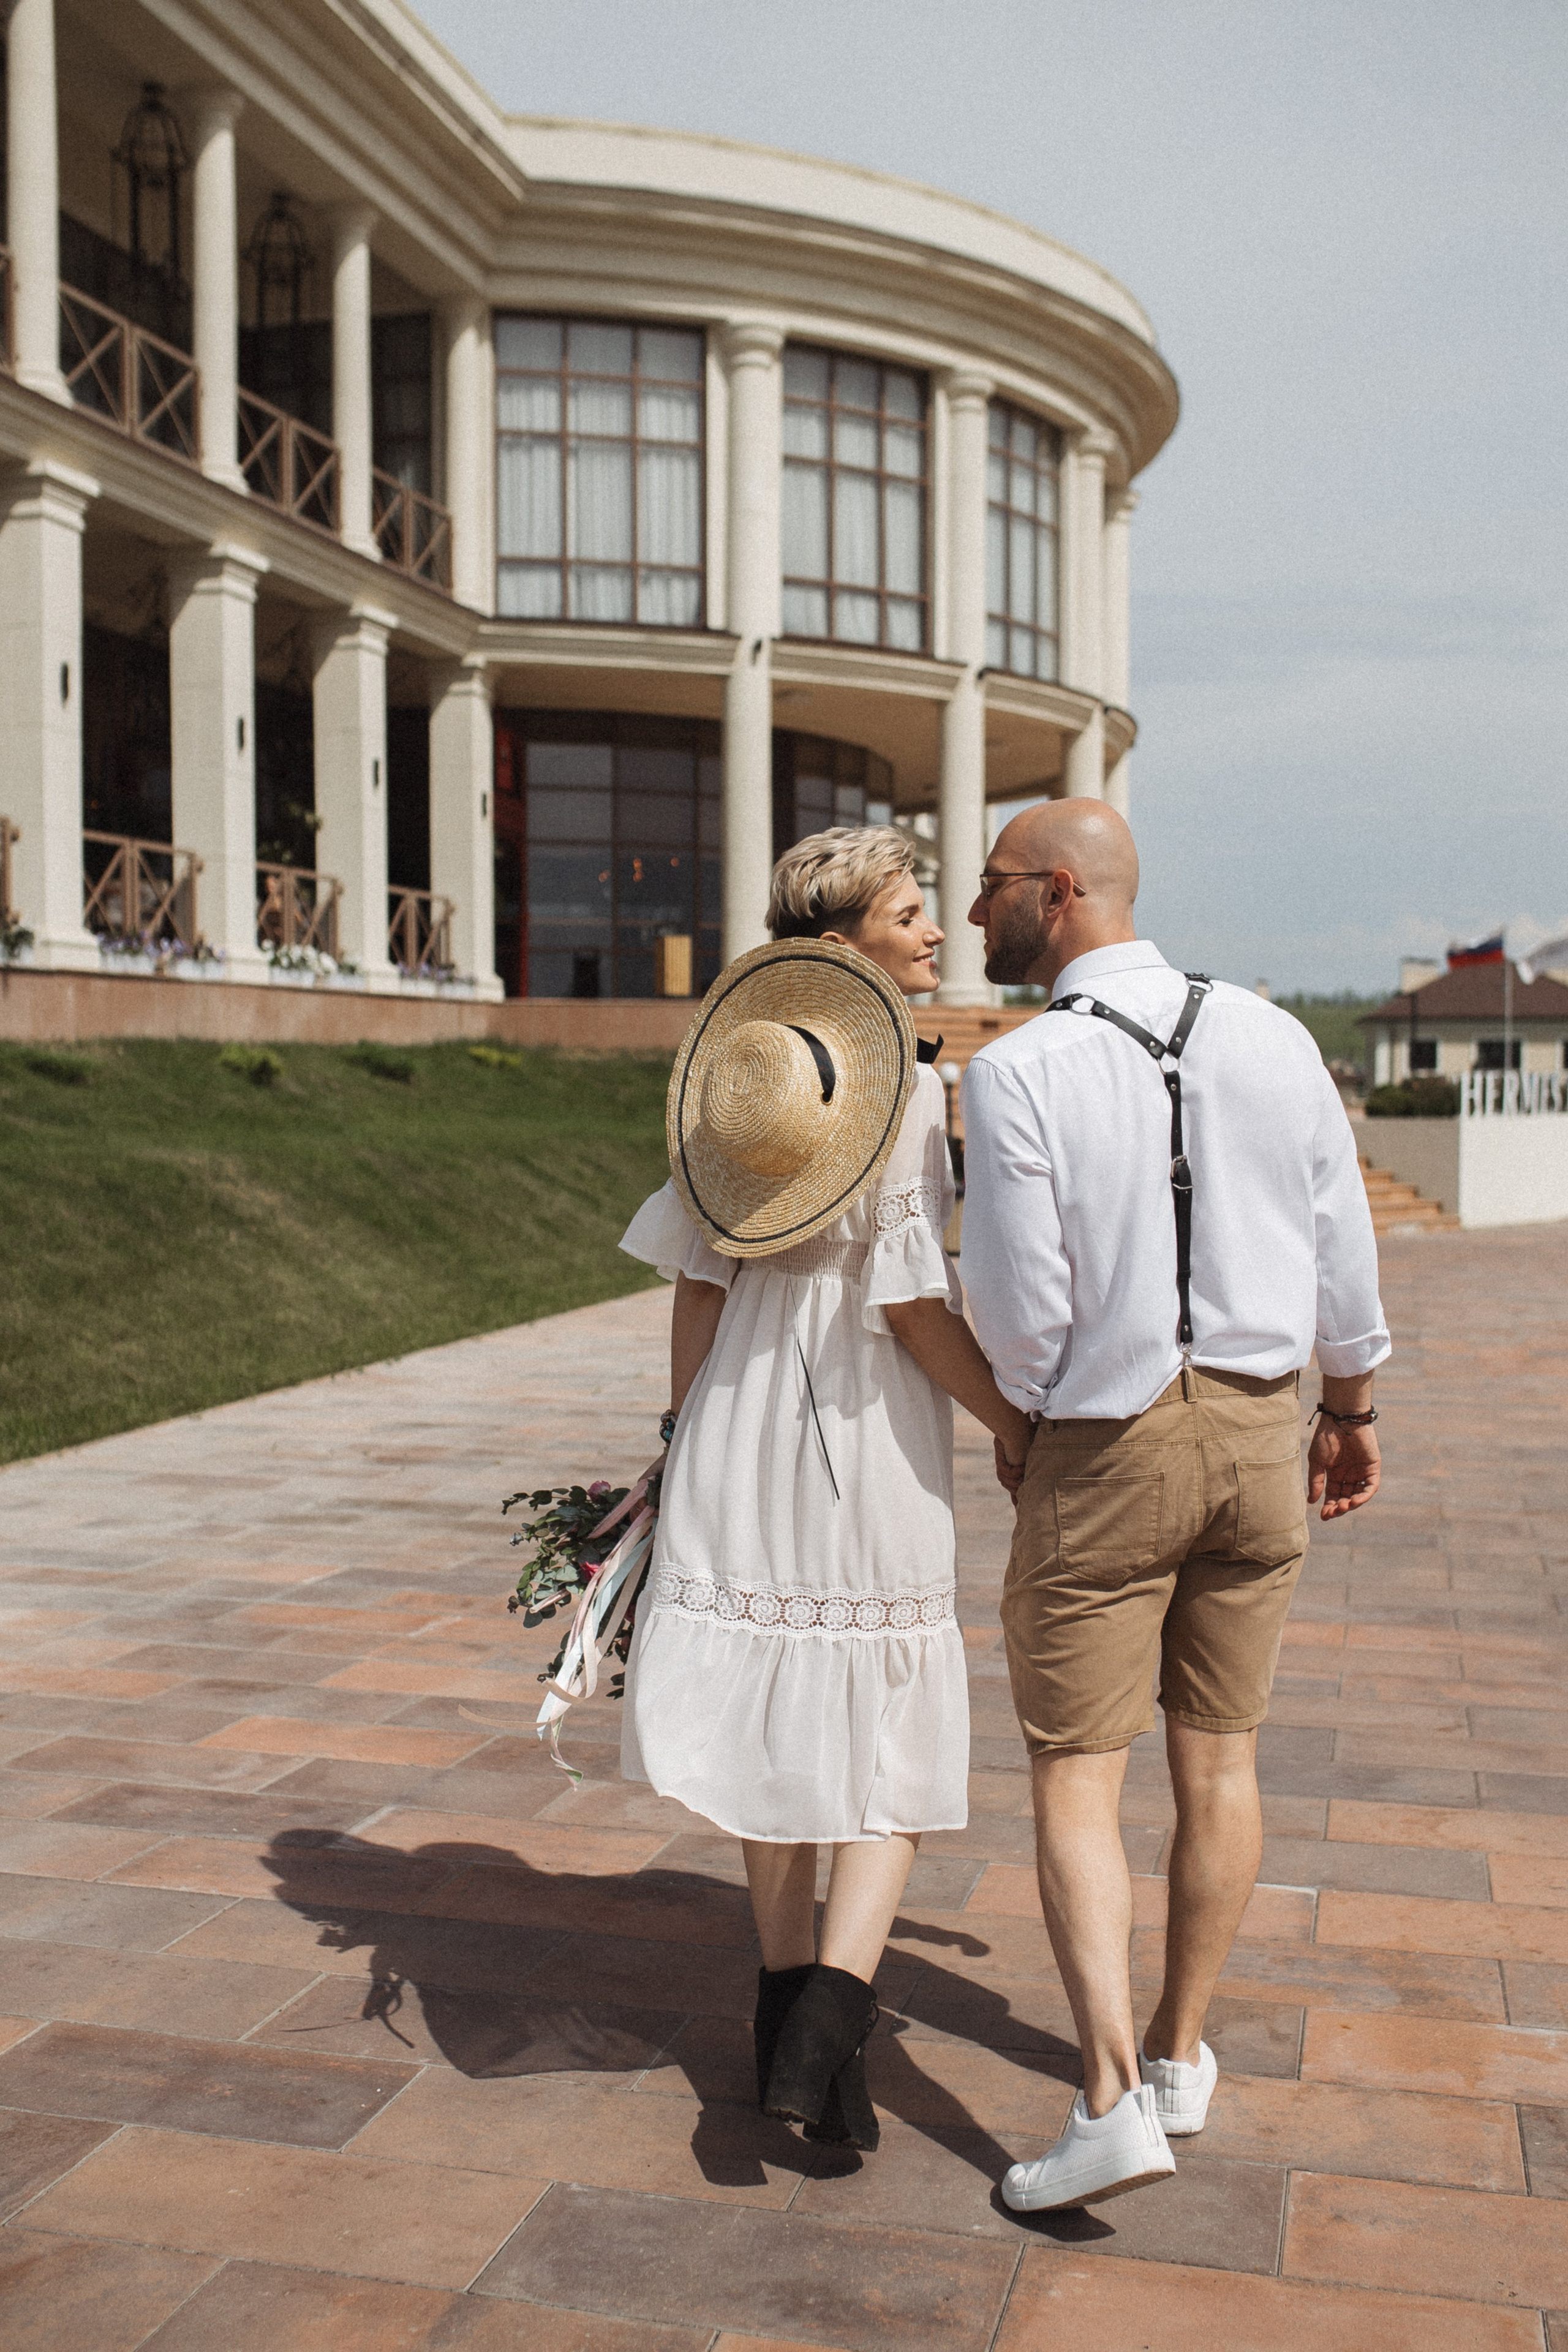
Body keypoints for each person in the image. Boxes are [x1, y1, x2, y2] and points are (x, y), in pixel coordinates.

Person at [958, 798, 1389, 2212]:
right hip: (1265, 1436)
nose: (974, 913)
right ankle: (1180, 2053)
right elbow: (1340, 1242)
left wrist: (1026, 1424)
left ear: (1060, 892)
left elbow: (1021, 1308)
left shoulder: (1020, 1072)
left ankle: (1102, 2107)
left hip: (1111, 1437)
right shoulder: (1272, 1035)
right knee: (1221, 1761)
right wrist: (1349, 1409)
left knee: (1076, 1775)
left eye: (993, 887)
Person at [619, 826, 1032, 2151]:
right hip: (860, 1424)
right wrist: (1008, 1421)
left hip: (741, 1406)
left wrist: (682, 1434)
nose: (936, 931)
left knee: (783, 1726)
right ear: (847, 937)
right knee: (884, 1724)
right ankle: (828, 2018)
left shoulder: (741, 1076)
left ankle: (783, 2021)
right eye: (913, 911)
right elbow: (912, 1304)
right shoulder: (905, 1091)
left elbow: (695, 1278)